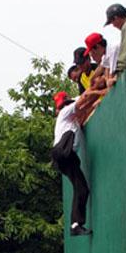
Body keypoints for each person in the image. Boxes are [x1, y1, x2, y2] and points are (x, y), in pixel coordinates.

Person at [50, 91, 93, 236]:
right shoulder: (64, 112)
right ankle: (76, 224)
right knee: (81, 189)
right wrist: (102, 91)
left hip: (66, 157)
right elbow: (84, 99)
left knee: (82, 189)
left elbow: (84, 109)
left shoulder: (72, 122)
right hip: (63, 153)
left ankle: (75, 225)